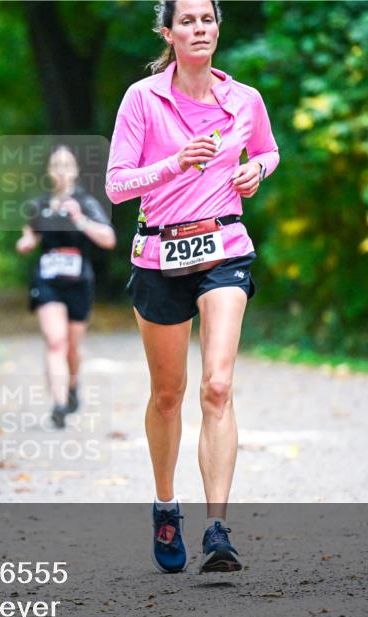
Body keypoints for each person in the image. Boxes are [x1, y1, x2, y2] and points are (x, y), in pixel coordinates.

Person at [105, 0, 279, 574]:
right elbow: (116, 186)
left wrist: (258, 170)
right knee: (168, 395)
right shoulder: (142, 98)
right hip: (158, 251)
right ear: (168, 31)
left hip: (224, 246)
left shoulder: (244, 99)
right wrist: (177, 162)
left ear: (218, 27)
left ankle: (218, 528)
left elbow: (268, 149)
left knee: (219, 385)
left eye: (207, 19)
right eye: (187, 21)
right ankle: (165, 504)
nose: (199, 29)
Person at [16, 145, 116, 429]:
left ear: (75, 171)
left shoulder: (85, 203)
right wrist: (26, 243)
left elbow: (108, 239)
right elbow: (28, 237)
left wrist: (80, 220)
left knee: (72, 349)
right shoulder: (39, 205)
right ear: (49, 171)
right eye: (56, 165)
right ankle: (59, 405)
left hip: (78, 282)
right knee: (55, 341)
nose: (61, 170)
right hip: (47, 281)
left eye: (66, 164)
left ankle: (72, 386)